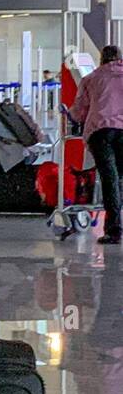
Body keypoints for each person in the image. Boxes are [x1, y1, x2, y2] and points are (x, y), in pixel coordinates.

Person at [68, 44, 123, 244]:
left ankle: (114, 230)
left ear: (101, 59)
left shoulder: (90, 78)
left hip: (100, 132)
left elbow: (78, 111)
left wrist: (72, 116)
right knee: (120, 178)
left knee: (110, 179)